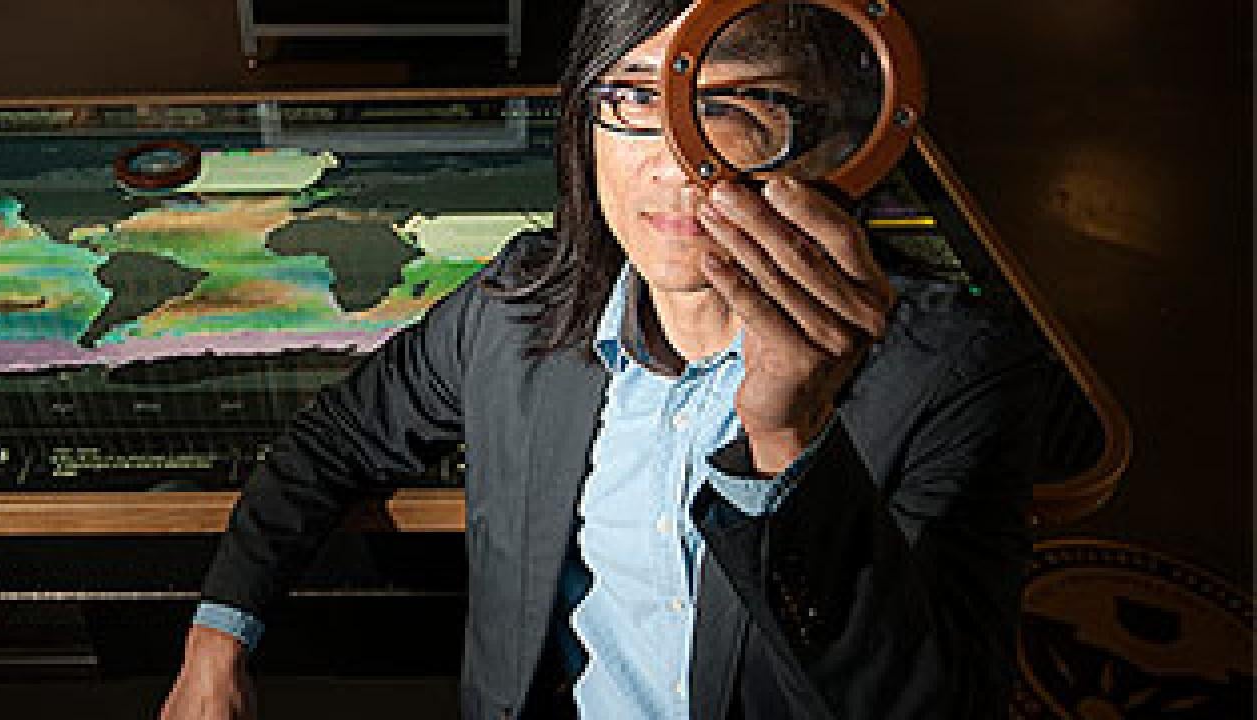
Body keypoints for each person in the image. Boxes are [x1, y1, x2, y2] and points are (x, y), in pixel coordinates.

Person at [160, 1, 1053, 718]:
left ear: (821, 143)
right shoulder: (514, 315)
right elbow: (335, 438)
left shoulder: (951, 371)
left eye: (730, 107)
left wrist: (791, 441)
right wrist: (217, 640)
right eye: (631, 99)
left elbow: (938, 699)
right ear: (583, 125)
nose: (671, 164)